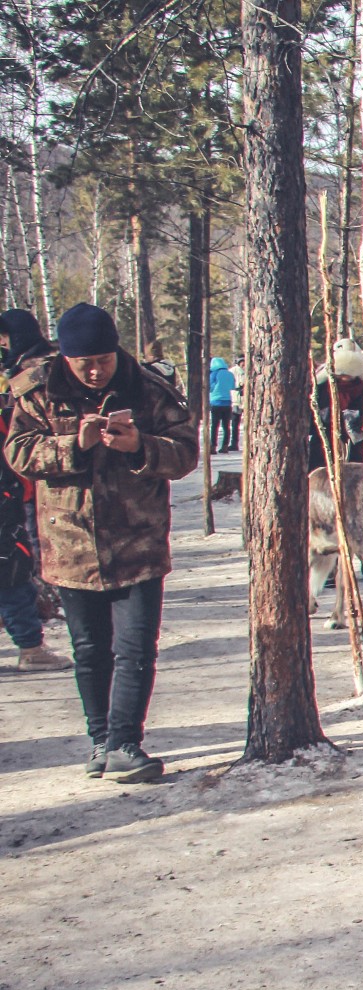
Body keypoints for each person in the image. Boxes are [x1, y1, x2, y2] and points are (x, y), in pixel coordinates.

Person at [4, 303, 199, 780]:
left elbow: (187, 452)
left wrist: (140, 447)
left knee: (136, 648)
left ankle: (125, 743)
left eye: (103, 360)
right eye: (83, 363)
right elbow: (18, 452)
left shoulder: (150, 388)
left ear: (116, 350)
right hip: (70, 546)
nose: (94, 371)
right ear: (65, 359)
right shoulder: (37, 392)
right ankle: (100, 742)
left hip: (139, 545)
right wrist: (74, 444)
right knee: (89, 649)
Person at [1, 309, 69, 672]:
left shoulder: (36, 370)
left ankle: (30, 644)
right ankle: (30, 644)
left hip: (23, 483)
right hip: (15, 484)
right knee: (11, 567)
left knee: (14, 565)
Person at [310, 338, 363, 464]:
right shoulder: (319, 388)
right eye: (341, 374)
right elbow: (304, 423)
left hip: (361, 456)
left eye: (349, 374)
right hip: (323, 455)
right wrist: (322, 417)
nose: (344, 378)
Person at [206, 356, 237, 454]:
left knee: (215, 426)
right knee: (226, 426)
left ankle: (213, 446)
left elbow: (210, 387)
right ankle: (225, 446)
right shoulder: (230, 374)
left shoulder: (214, 374)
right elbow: (233, 387)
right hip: (227, 402)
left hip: (216, 402)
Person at [227, 355, 244, 450]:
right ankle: (234, 443)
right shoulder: (232, 371)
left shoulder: (249, 370)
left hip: (244, 400)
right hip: (236, 400)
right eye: (242, 362)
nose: (243, 364)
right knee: (235, 423)